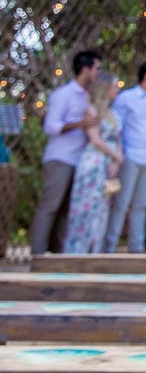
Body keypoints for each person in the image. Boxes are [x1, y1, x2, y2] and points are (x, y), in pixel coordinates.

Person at [30, 50, 102, 254]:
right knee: (50, 205)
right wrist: (81, 123)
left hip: (79, 160)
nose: (98, 73)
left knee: (66, 210)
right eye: (97, 68)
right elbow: (51, 126)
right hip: (60, 157)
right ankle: (37, 252)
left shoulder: (90, 98)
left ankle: (58, 253)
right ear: (85, 69)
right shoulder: (64, 94)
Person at [104, 60, 146, 253]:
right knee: (121, 203)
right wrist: (119, 155)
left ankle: (137, 247)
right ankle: (110, 246)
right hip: (131, 155)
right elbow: (116, 128)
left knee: (142, 205)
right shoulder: (126, 98)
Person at [64, 73, 122, 253]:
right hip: (94, 163)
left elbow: (118, 138)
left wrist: (117, 161)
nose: (117, 89)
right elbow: (95, 139)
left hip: (109, 165)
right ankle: (77, 250)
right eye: (114, 86)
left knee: (102, 208)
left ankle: (95, 249)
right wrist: (116, 155)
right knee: (86, 207)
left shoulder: (113, 114)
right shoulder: (92, 110)